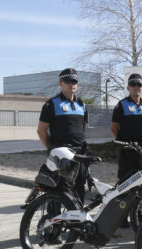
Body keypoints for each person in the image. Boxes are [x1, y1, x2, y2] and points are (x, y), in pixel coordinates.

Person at [37, 68, 88, 203]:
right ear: (61, 83)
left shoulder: (82, 104)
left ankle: (77, 221)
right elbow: (41, 131)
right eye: (68, 81)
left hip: (79, 154)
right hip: (60, 154)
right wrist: (51, 149)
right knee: (57, 191)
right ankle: (53, 221)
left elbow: (83, 127)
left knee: (79, 188)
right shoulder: (51, 104)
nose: (71, 84)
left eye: (74, 82)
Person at [111, 73, 142, 228]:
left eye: (139, 85)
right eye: (133, 85)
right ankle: (121, 217)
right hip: (127, 152)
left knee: (140, 185)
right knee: (125, 184)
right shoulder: (121, 105)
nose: (136, 87)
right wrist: (124, 143)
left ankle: (136, 213)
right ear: (128, 87)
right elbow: (114, 128)